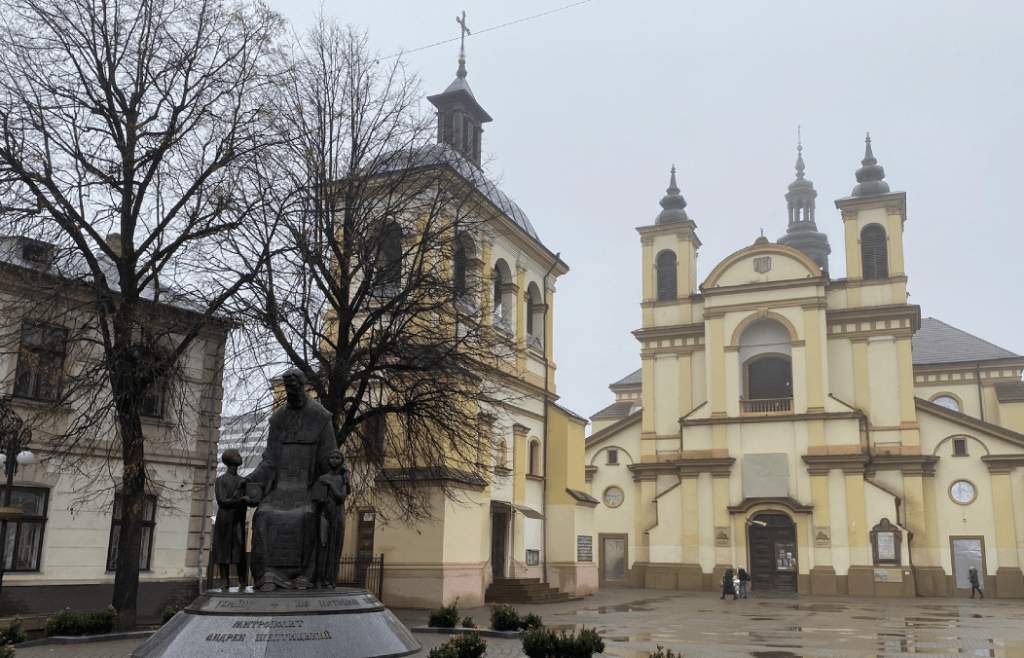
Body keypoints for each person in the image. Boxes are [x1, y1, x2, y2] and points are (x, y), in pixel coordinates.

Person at [244, 368, 338, 591]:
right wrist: (250, 478)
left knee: (309, 516)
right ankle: (268, 574)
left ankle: (305, 576)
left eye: (295, 387)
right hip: (280, 490)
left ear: (303, 386)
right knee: (263, 514)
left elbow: (329, 458)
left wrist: (332, 479)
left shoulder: (320, 417)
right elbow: (269, 460)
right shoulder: (279, 420)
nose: (292, 392)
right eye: (288, 388)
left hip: (308, 488)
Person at [211, 449, 252, 589]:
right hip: (225, 520)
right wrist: (242, 499)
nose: (240, 457)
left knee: (239, 547)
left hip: (239, 519)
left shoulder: (243, 481)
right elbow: (222, 501)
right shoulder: (221, 480)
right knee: (223, 548)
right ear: (230, 460)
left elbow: (250, 499)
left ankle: (243, 580)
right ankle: (224, 580)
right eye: (237, 455)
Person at [313, 449, 351, 588]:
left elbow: (341, 497)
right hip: (324, 514)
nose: (334, 460)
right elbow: (316, 497)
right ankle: (319, 578)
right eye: (332, 457)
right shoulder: (322, 478)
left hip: (337, 514)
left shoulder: (343, 479)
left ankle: (331, 579)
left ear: (342, 461)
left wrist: (331, 485)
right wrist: (320, 501)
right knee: (322, 546)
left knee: (335, 547)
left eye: (337, 458)